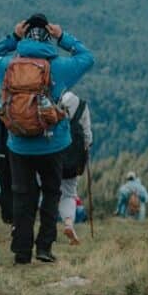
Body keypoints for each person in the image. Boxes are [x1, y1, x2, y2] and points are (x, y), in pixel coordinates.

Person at [0, 14, 94, 265]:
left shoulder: (9, 66)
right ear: (48, 35)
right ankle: (44, 247)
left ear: (25, 35)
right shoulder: (59, 67)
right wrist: (63, 37)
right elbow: (87, 58)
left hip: (18, 144)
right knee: (52, 192)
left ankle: (22, 251)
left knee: (23, 196)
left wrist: (12, 38)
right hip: (52, 143)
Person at [58, 89, 92, 245]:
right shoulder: (82, 106)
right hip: (73, 160)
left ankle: (48, 227)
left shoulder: (54, 102)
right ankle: (69, 223)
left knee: (48, 190)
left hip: (54, 154)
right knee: (69, 194)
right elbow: (87, 136)